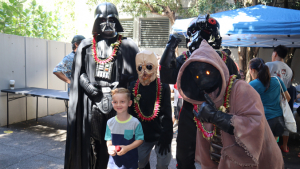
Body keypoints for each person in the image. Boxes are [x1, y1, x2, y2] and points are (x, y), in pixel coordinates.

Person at [177, 40, 284, 169]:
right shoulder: (201, 99)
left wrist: (216, 117)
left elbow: (255, 125)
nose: (202, 79)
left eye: (207, 73)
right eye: (197, 76)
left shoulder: (240, 88)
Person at [64, 2, 139, 169]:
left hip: (119, 106)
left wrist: (125, 85)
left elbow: (138, 78)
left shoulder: (128, 46)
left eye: (111, 20)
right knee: (95, 146)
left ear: (117, 21)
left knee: (119, 146)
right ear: (96, 22)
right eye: (102, 20)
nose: (107, 24)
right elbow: (78, 74)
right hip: (94, 105)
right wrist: (91, 89)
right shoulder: (86, 46)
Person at [159, 14, 239, 169]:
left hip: (216, 112)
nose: (201, 38)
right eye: (198, 33)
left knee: (218, 154)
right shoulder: (185, 58)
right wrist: (170, 46)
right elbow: (166, 76)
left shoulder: (224, 59)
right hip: (190, 110)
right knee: (184, 155)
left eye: (205, 34)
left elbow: (236, 87)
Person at [128, 50, 173, 169]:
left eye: (148, 67)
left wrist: (166, 137)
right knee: (139, 163)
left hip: (161, 133)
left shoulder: (163, 86)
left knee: (163, 165)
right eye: (140, 68)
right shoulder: (133, 86)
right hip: (142, 135)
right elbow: (130, 113)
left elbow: (167, 113)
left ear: (155, 67)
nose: (144, 72)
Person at [249, 58, 291, 141]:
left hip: (264, 121)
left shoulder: (252, 85)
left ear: (253, 70)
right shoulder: (277, 80)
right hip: (279, 121)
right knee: (273, 147)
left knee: (263, 150)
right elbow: (288, 98)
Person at [105, 88, 144, 169]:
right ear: (112, 103)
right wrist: (109, 148)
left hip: (130, 163)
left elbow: (140, 139)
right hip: (113, 164)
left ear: (129, 103)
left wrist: (127, 148)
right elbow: (109, 139)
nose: (118, 105)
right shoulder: (110, 122)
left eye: (122, 102)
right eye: (115, 102)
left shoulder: (135, 122)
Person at [266, 45, 293, 153]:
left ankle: (267, 150)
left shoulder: (268, 65)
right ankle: (275, 149)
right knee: (277, 127)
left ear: (275, 53)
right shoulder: (289, 70)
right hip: (280, 103)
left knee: (266, 127)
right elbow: (286, 89)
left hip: (267, 101)